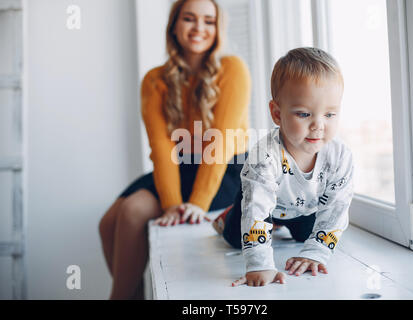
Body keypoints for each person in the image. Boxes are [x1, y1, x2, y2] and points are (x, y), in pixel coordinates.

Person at [99, 0, 250, 299]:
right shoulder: (155, 80)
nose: (199, 28)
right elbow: (161, 146)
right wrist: (171, 204)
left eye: (209, 21)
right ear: (174, 26)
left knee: (131, 212)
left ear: (218, 27)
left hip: (226, 168)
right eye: (189, 19)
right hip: (181, 165)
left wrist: (196, 204)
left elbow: (220, 141)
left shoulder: (232, 69)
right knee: (108, 222)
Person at [213, 47, 354, 287]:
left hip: (304, 207)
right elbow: (257, 211)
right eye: (304, 114)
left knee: (304, 237)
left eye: (330, 115)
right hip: (261, 202)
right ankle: (227, 215)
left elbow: (336, 210)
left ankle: (282, 225)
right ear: (277, 114)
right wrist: (261, 266)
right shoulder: (264, 155)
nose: (318, 125)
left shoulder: (339, 156)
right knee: (236, 238)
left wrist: (315, 253)